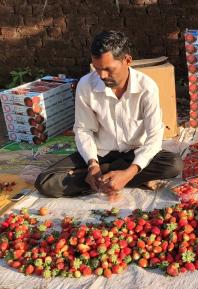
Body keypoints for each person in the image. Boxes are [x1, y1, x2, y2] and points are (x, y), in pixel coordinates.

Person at [35, 30, 183, 198]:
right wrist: (92, 165)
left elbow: (154, 136)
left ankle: (111, 178)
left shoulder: (147, 87)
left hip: (133, 153)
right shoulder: (86, 85)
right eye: (97, 69)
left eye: (108, 69)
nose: (102, 75)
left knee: (173, 164)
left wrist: (130, 172)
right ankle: (110, 178)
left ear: (127, 60)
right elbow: (83, 129)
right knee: (46, 181)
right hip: (101, 154)